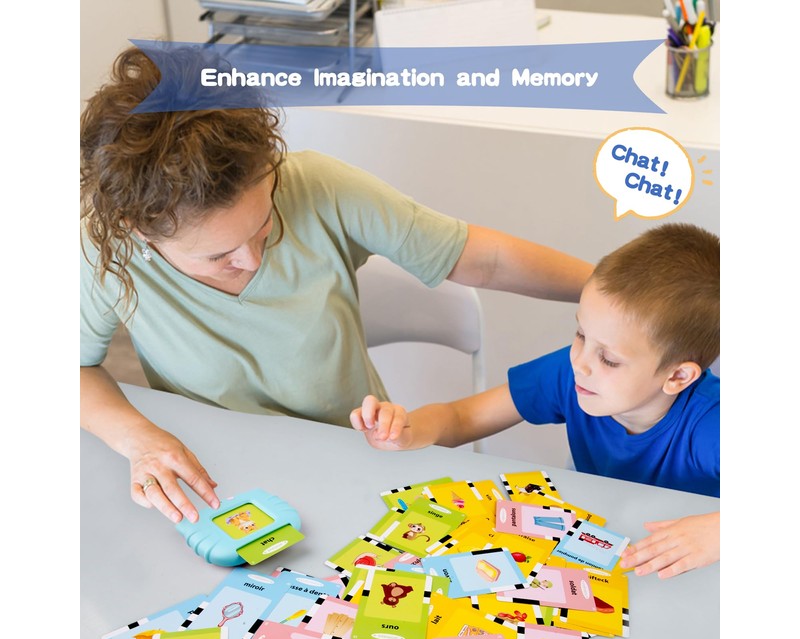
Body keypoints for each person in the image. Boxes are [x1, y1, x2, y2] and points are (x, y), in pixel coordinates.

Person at [80, 46, 593, 526]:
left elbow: (482, 259)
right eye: (219, 256)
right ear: (136, 230)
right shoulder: (103, 250)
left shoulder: (317, 186)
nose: (253, 259)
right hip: (217, 483)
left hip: (358, 464)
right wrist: (138, 437)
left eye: (264, 225)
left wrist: (609, 291)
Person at [351, 223, 720, 579]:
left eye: (608, 359)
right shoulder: (571, 372)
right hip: (605, 544)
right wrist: (407, 430)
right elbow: (463, 417)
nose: (580, 363)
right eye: (580, 334)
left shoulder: (714, 422)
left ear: (677, 377)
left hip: (685, 572)